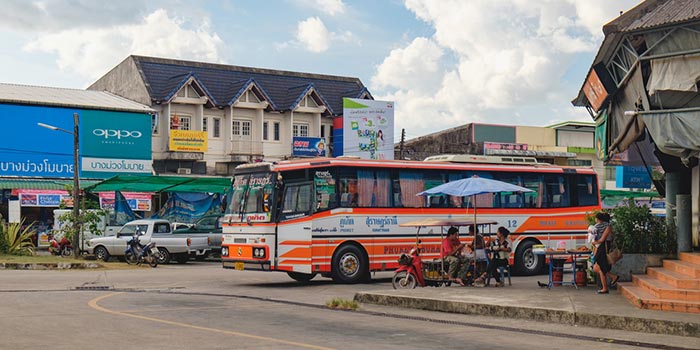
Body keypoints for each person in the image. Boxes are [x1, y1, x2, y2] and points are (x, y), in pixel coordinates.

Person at [592, 212, 619, 294]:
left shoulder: (607, 227)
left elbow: (602, 239)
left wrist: (595, 242)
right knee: (597, 267)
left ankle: (605, 288)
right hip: (600, 247)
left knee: (600, 267)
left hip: (604, 248)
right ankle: (613, 277)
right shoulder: (601, 227)